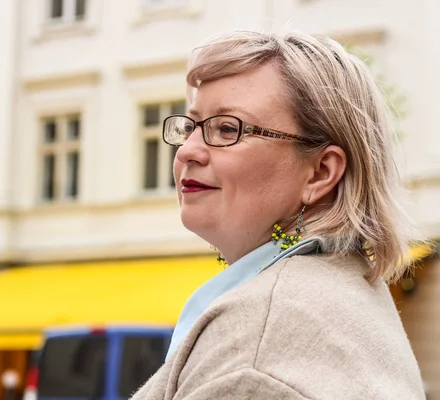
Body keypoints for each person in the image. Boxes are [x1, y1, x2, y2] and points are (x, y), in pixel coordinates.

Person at [130, 29, 425, 399]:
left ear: (320, 172)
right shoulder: (339, 289)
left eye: (226, 128)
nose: (188, 150)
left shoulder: (255, 346)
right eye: (191, 125)